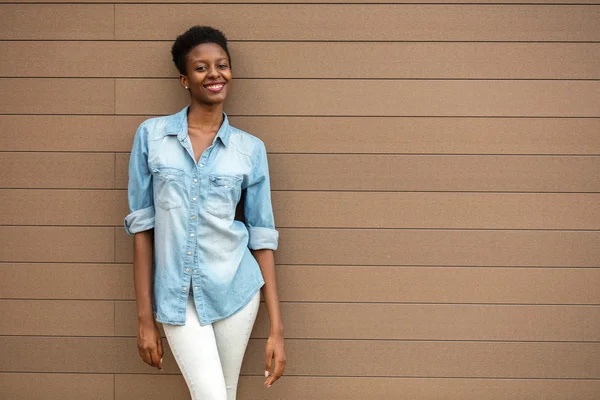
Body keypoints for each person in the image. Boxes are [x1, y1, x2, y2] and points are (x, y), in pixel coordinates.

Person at [124, 25, 286, 400]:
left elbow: (262, 237)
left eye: (222, 65)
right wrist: (145, 319)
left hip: (236, 291)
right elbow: (142, 230)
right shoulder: (151, 137)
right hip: (177, 299)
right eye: (201, 68)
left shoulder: (250, 149)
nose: (214, 74)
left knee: (223, 395)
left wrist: (276, 328)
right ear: (184, 78)